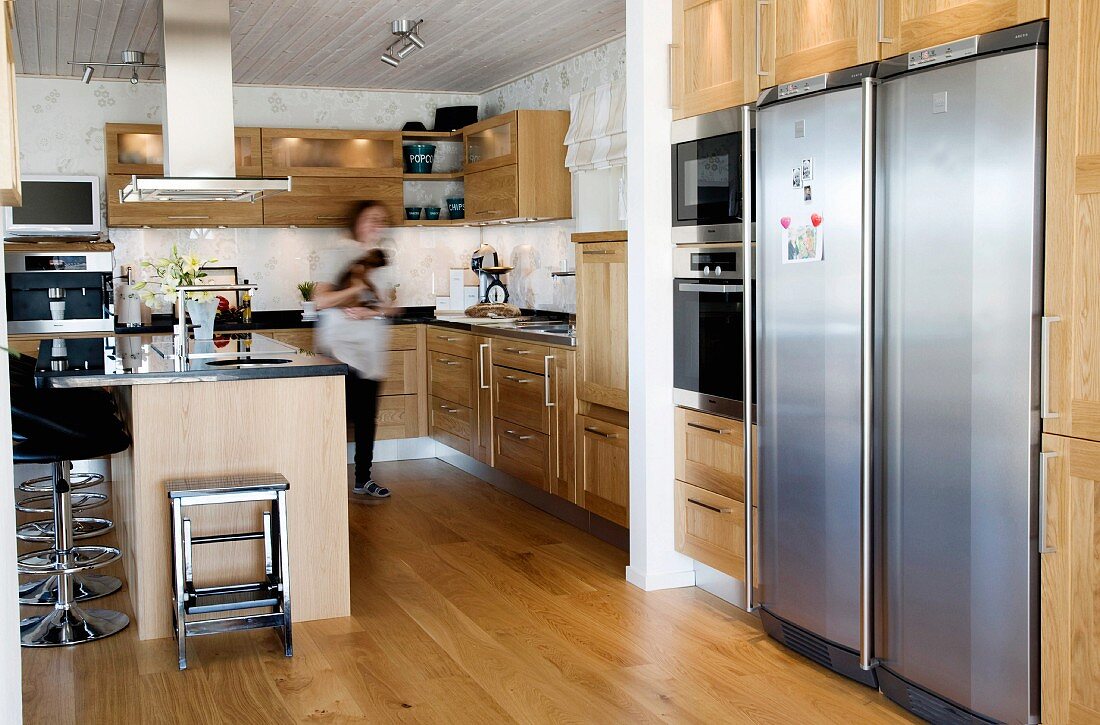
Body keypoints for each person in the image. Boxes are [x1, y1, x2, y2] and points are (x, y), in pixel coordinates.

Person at [314, 201, 394, 498]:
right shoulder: (337, 252)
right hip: (339, 348)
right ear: (357, 221)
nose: (377, 224)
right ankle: (325, 481)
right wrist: (355, 292)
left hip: (370, 349)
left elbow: (391, 306)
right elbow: (321, 301)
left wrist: (371, 312)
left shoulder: (381, 259)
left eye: (381, 219)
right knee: (335, 417)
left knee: (366, 418)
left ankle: (364, 480)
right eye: (371, 218)